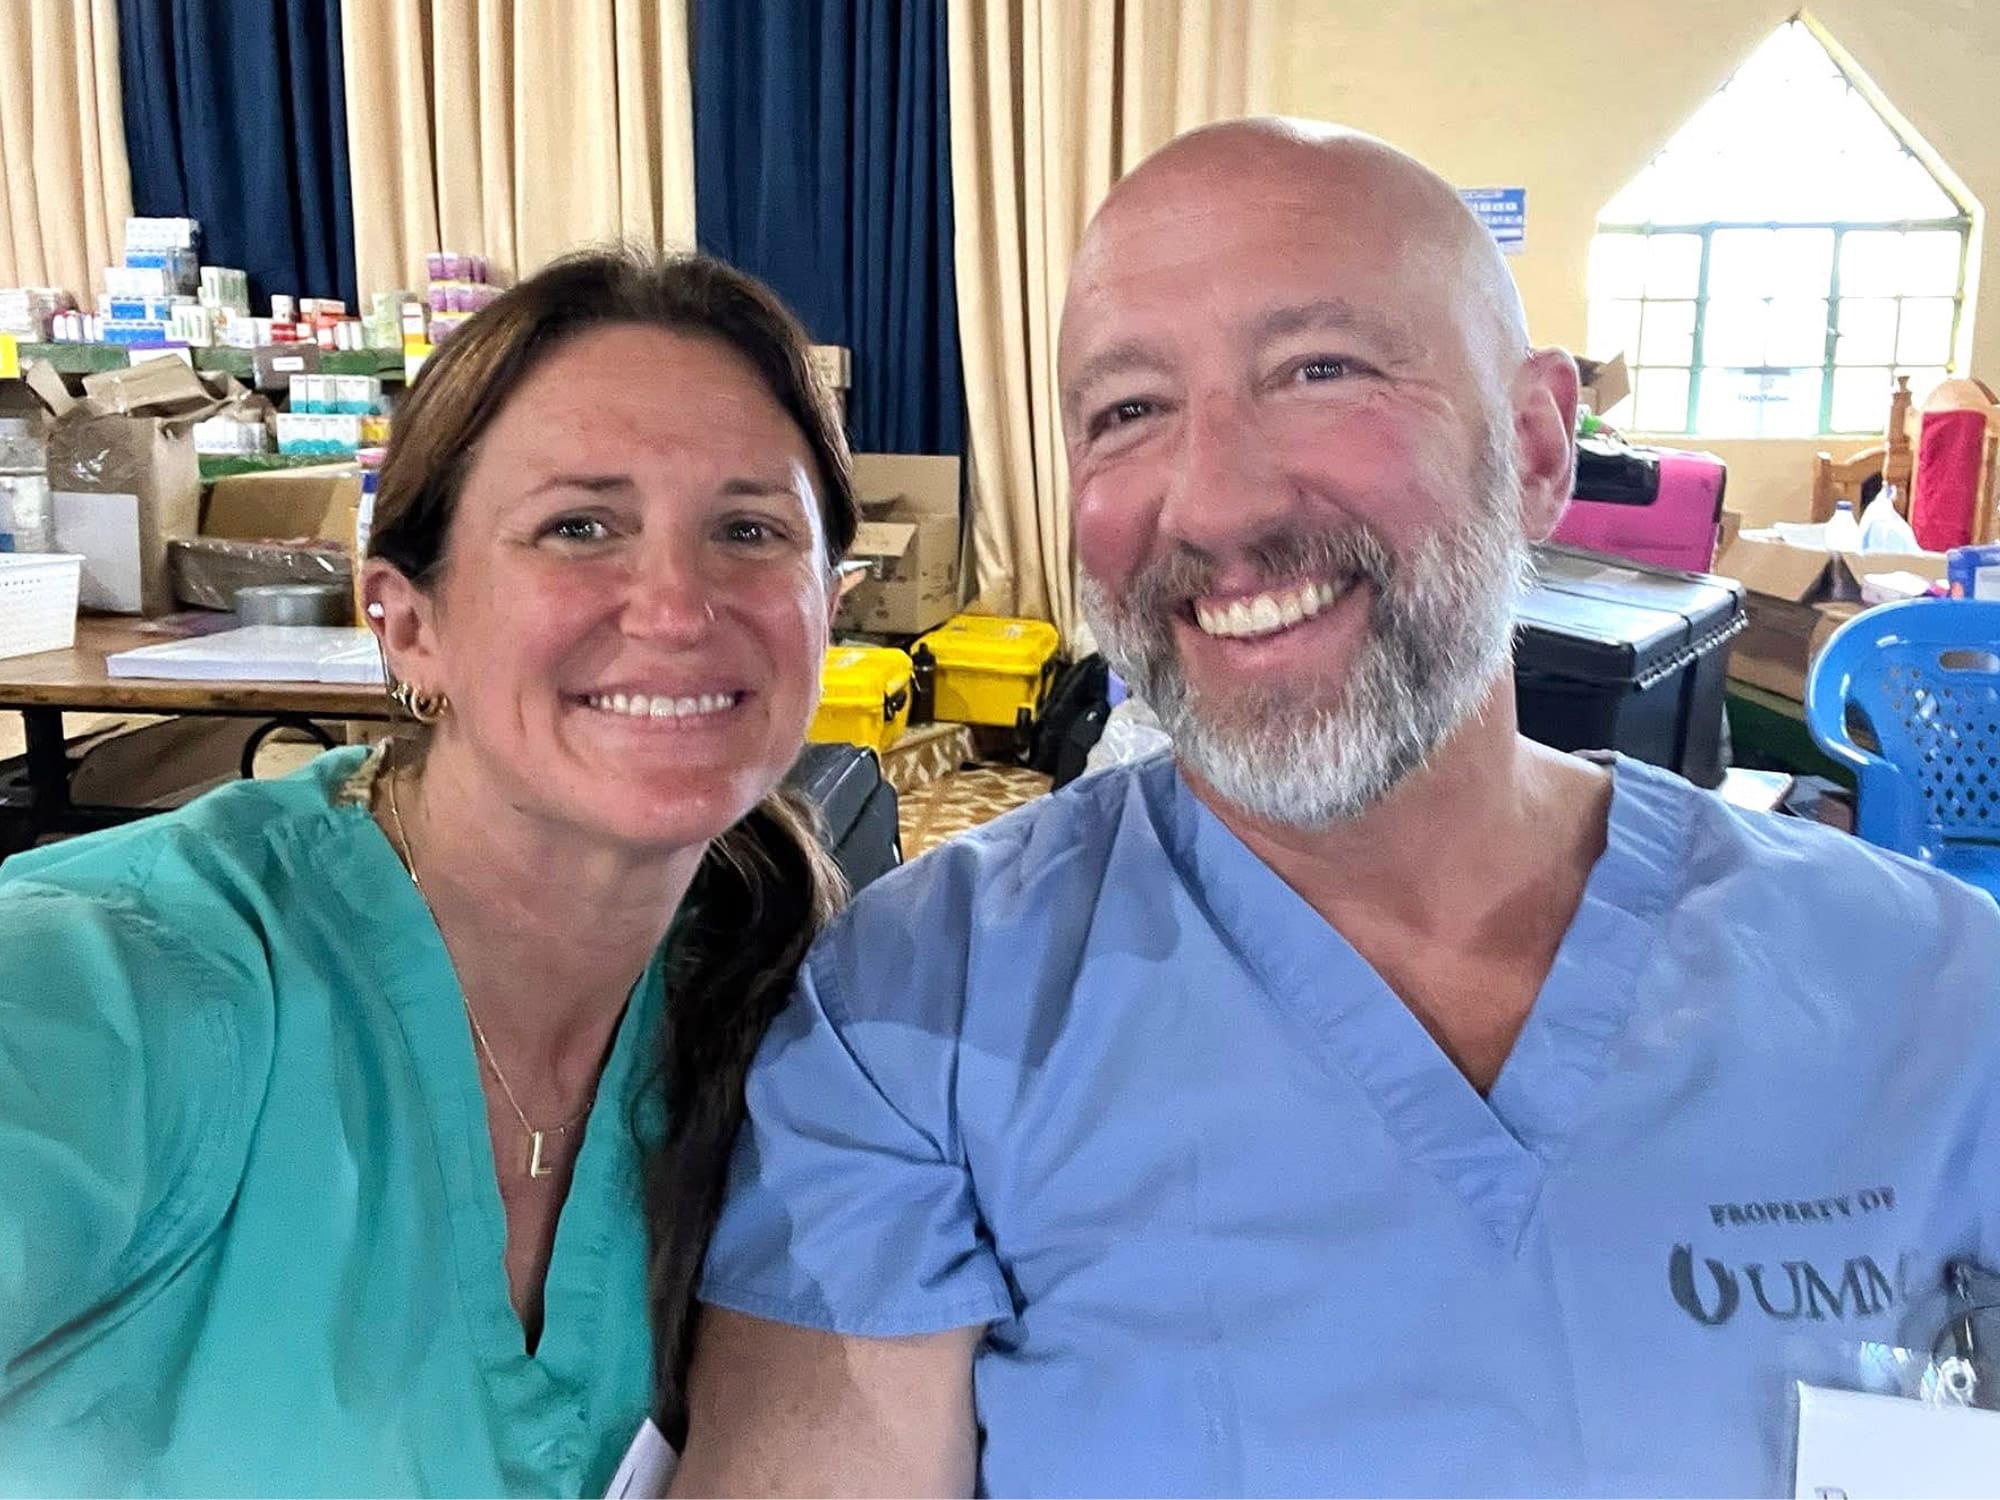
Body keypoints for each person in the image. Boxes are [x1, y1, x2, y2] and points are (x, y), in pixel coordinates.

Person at [670, 120, 2000, 1497]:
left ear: (1538, 444)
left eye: (1321, 371)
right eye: (1126, 411)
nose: (1217, 501)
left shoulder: (1934, 1000)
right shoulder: (916, 1015)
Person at [0, 248, 855, 1496]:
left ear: (830, 602)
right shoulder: (118, 985)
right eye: (579, 526)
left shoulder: (792, 1015)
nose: (676, 606)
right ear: (406, 620)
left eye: (747, 529)